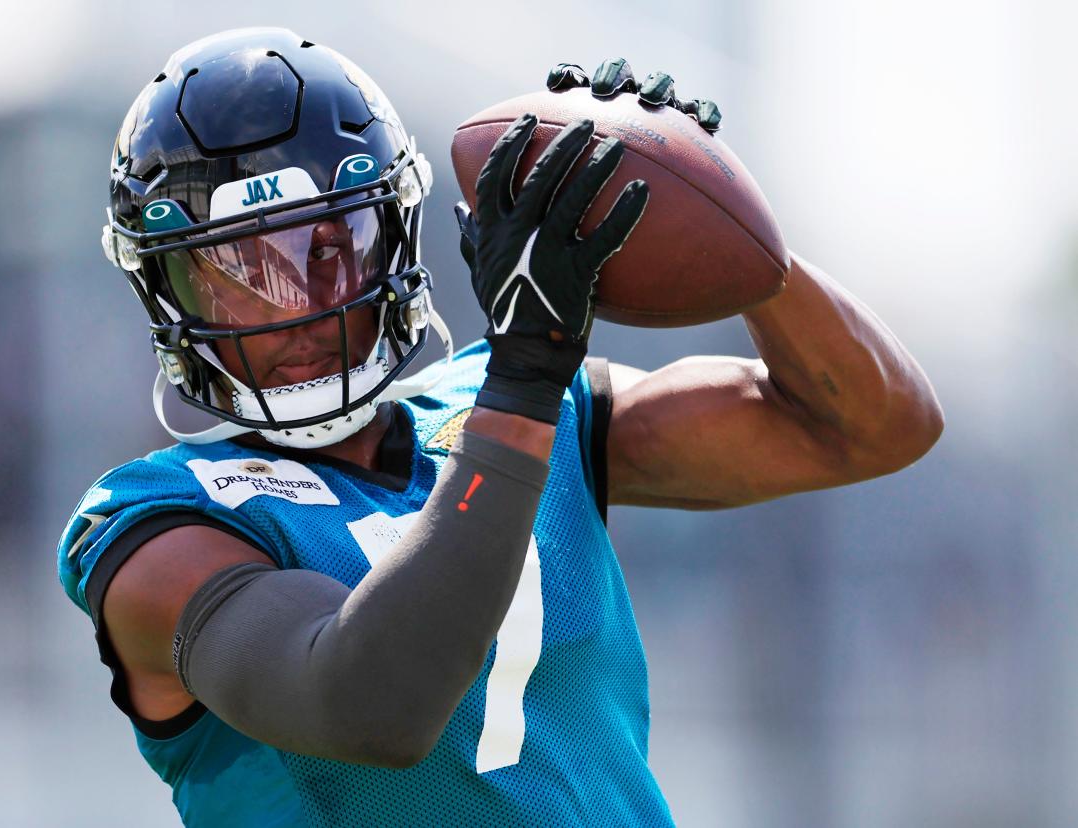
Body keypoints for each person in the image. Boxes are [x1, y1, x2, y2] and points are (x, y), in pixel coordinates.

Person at [58, 27, 943, 827]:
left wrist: (720, 214)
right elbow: (373, 706)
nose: (291, 309)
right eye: (235, 272)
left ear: (399, 238)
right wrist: (523, 381)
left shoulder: (515, 398)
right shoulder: (156, 530)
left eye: (327, 250)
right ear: (163, 289)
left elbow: (872, 426)